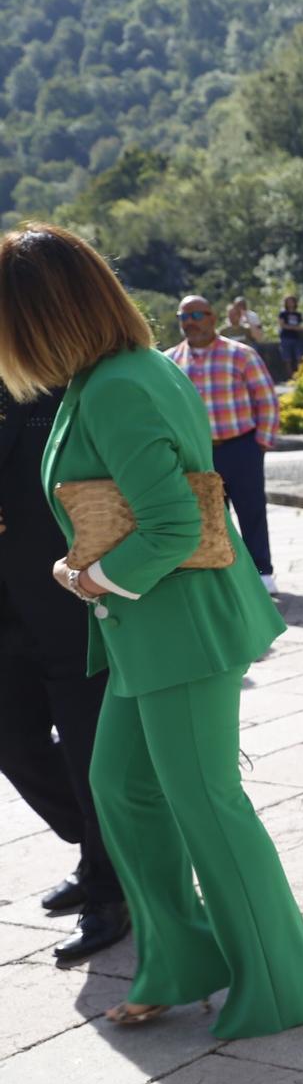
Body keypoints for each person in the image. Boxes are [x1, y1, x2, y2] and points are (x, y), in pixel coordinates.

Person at [0, 223, 303, 1037]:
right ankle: (183, 959)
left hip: (177, 628)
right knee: (119, 788)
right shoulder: (114, 373)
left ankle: (282, 983)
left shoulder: (115, 385)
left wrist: (88, 577)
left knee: (209, 805)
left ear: (40, 313)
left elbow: (174, 525)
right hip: (150, 634)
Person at [0, 378, 128, 961]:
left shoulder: (62, 373)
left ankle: (110, 887)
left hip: (67, 597)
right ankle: (106, 843)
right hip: (5, 606)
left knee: (87, 746)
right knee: (14, 740)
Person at [165, 294, 280, 595]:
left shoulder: (240, 354)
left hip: (240, 446)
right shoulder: (170, 362)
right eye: (183, 317)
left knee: (251, 510)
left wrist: (261, 444)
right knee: (210, 517)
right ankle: (224, 576)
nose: (190, 323)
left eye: (196, 316)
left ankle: (262, 572)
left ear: (212, 317)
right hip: (197, 453)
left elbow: (266, 399)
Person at [276, 293, 303, 378]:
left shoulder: (298, 314)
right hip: (285, 338)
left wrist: (295, 328)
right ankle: (290, 376)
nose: (290, 303)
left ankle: (299, 375)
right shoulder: (283, 314)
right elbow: (282, 325)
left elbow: (300, 326)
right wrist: (293, 327)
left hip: (297, 338)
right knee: (287, 359)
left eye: (292, 301)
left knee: (299, 357)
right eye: (288, 301)